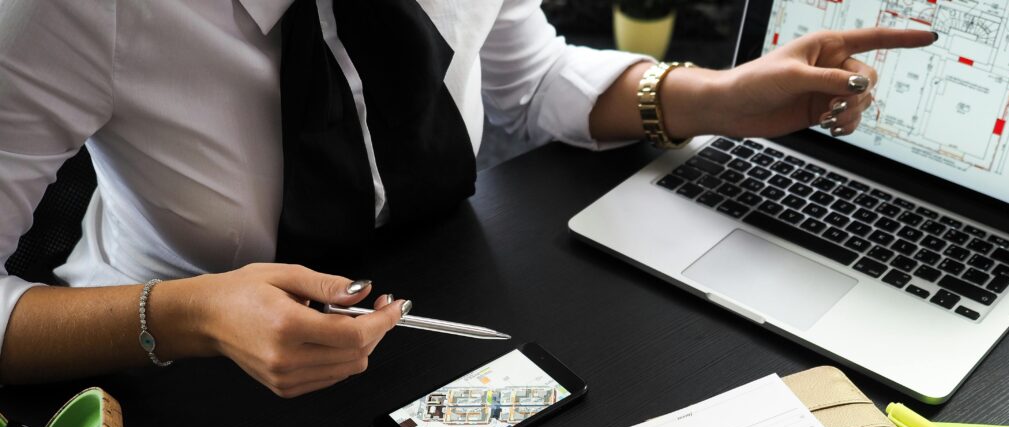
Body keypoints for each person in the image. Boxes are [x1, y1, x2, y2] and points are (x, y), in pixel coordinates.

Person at [0, 0, 934, 397]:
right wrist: (193, 314)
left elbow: (525, 85)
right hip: (182, 377)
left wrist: (711, 98)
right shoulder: (73, 12)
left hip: (438, 300)